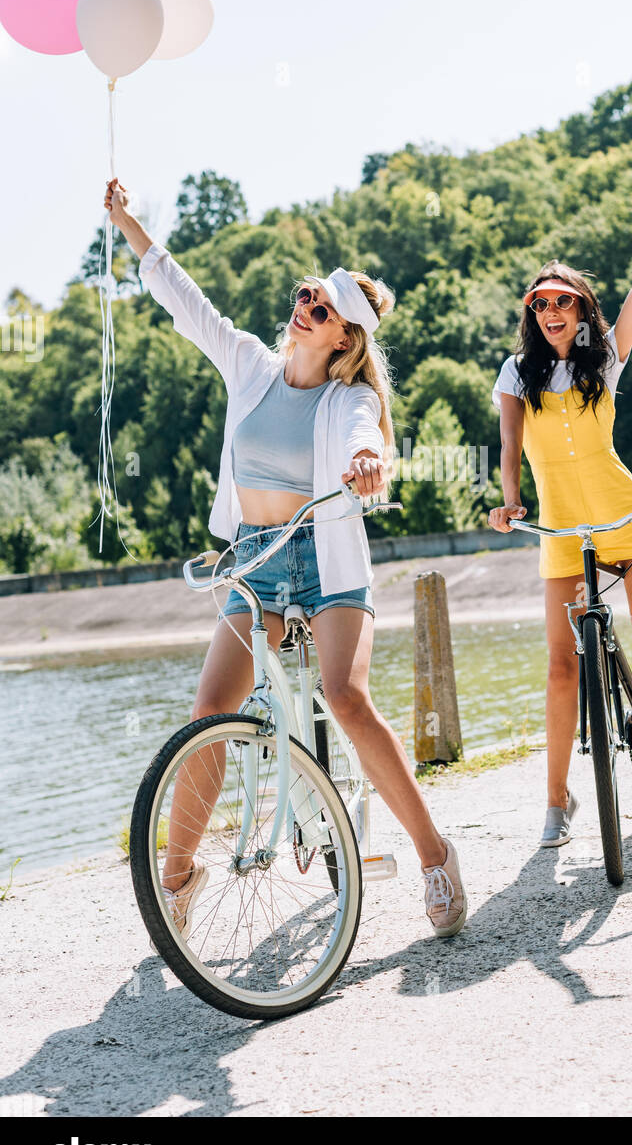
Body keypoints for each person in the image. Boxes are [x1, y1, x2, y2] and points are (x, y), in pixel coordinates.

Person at [103, 177, 467, 937]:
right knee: (210, 710)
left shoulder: (346, 400)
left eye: (322, 309)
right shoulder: (248, 366)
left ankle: (434, 855)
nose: (304, 308)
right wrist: (128, 221)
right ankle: (177, 874)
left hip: (324, 564)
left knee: (346, 695)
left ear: (343, 339)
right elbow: (183, 297)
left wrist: (369, 464)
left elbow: (368, 433)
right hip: (256, 563)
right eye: (305, 295)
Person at [488, 167, 632, 847]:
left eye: (562, 300)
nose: (549, 310)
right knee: (562, 664)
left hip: (627, 519)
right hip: (562, 533)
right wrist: (509, 502)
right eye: (538, 303)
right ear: (531, 314)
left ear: (581, 308)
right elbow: (508, 449)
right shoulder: (515, 373)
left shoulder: (606, 356)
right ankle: (558, 801)